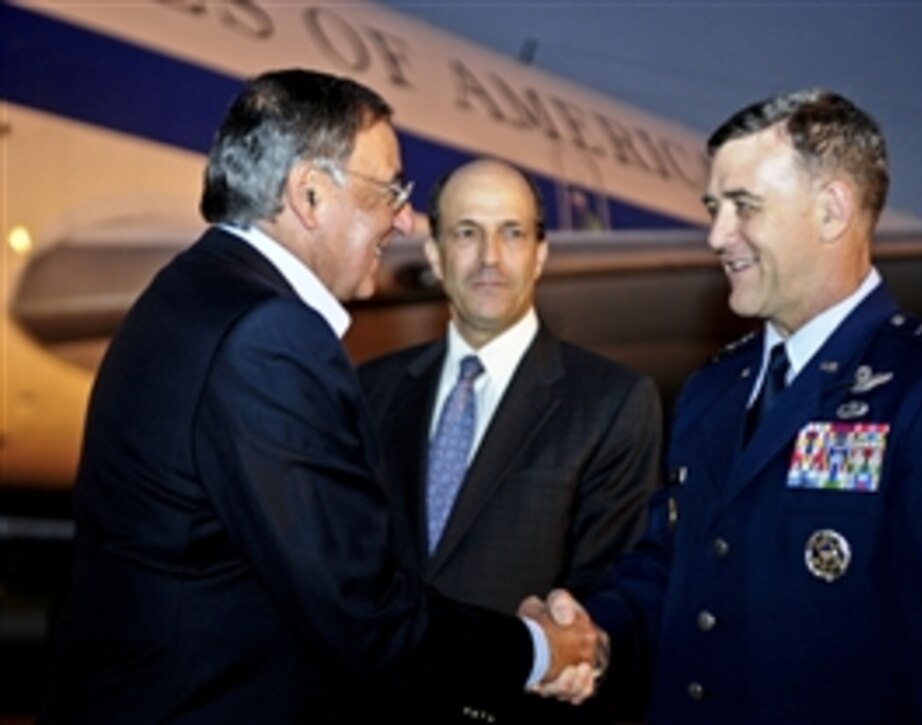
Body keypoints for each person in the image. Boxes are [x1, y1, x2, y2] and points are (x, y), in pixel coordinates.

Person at [39, 69, 598, 724]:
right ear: (308, 194)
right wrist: (539, 649)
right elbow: (364, 609)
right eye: (390, 190)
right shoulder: (270, 337)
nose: (407, 218)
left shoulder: (189, 295)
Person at [541, 89, 922, 723]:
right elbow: (669, 569)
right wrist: (595, 635)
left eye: (743, 207)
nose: (717, 235)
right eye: (714, 208)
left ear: (831, 210)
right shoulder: (713, 390)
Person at [357, 158, 663, 723]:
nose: (490, 258)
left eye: (512, 233)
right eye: (467, 233)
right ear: (434, 255)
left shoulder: (612, 402)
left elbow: (609, 595)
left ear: (541, 254)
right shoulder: (368, 391)